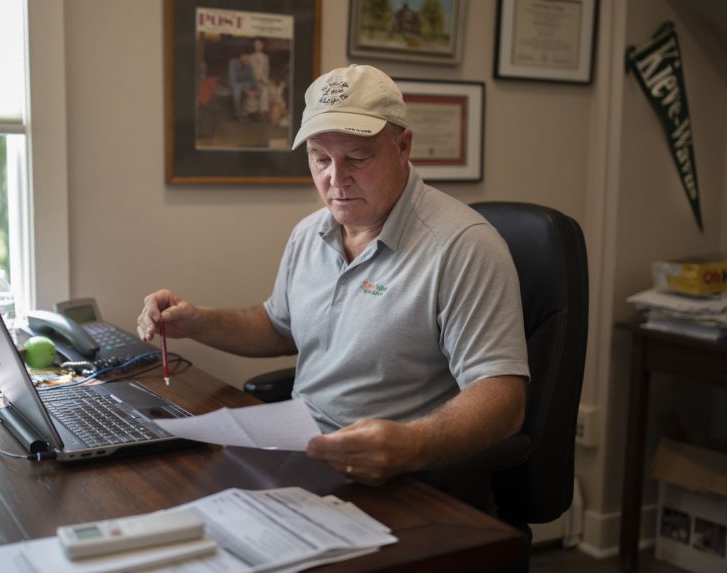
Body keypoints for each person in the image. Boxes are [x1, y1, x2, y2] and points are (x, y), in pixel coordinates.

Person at [138, 65, 529, 508]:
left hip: (400, 480)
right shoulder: (311, 233)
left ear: (403, 146)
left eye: (358, 158)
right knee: (168, 506)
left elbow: (503, 397)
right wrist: (198, 322)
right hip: (300, 456)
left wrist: (412, 444)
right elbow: (278, 326)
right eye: (321, 158)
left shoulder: (462, 246)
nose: (335, 179)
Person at [227, 51, 258, 121]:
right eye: (245, 57)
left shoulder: (248, 64)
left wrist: (255, 88)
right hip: (234, 84)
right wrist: (246, 90)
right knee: (237, 92)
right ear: (241, 57)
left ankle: (251, 112)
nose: (248, 59)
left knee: (255, 88)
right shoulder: (233, 62)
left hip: (244, 83)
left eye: (248, 57)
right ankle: (238, 115)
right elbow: (233, 81)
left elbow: (252, 78)